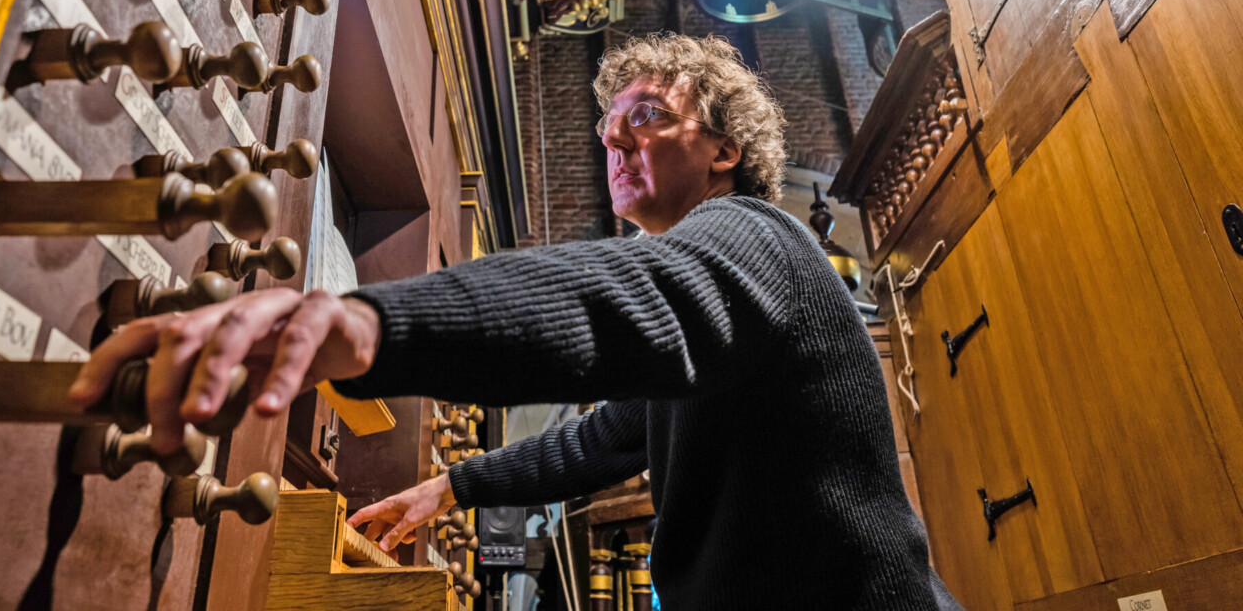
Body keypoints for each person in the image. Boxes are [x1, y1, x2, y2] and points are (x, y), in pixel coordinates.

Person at [71, 33, 961, 609]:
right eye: (609, 126)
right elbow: (605, 438)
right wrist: (452, 488)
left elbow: (621, 298)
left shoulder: (755, 238)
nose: (614, 143)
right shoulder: (723, 292)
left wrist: (365, 326)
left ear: (725, 150)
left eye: (647, 119)